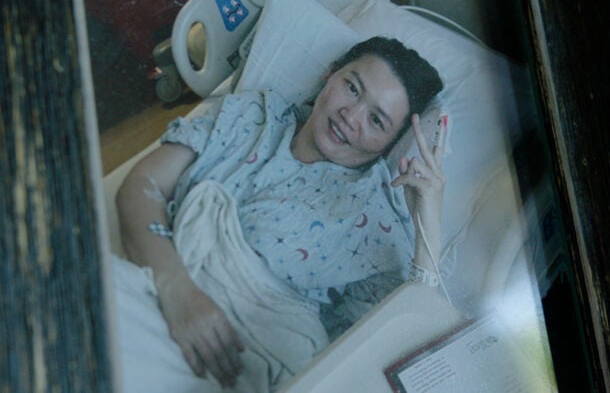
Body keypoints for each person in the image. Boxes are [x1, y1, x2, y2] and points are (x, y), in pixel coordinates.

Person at [111, 36, 445, 392]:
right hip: (160, 296)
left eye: (377, 120)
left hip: (240, 359)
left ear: (390, 147)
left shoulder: (372, 216)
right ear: (328, 75)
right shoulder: (254, 116)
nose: (351, 115)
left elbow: (403, 345)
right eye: (351, 87)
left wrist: (430, 226)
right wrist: (177, 289)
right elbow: (142, 184)